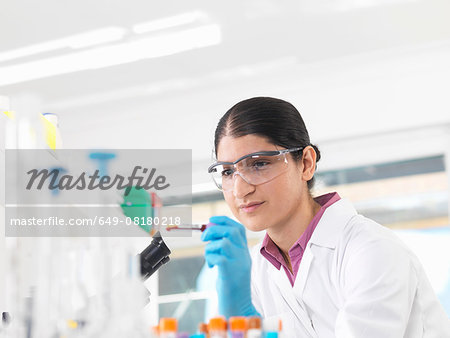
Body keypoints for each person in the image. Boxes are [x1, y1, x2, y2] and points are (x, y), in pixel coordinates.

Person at [200, 97, 450, 337]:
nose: (240, 189)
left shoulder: (371, 249)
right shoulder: (255, 269)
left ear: (306, 163)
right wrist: (235, 322)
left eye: (259, 164)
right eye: (228, 172)